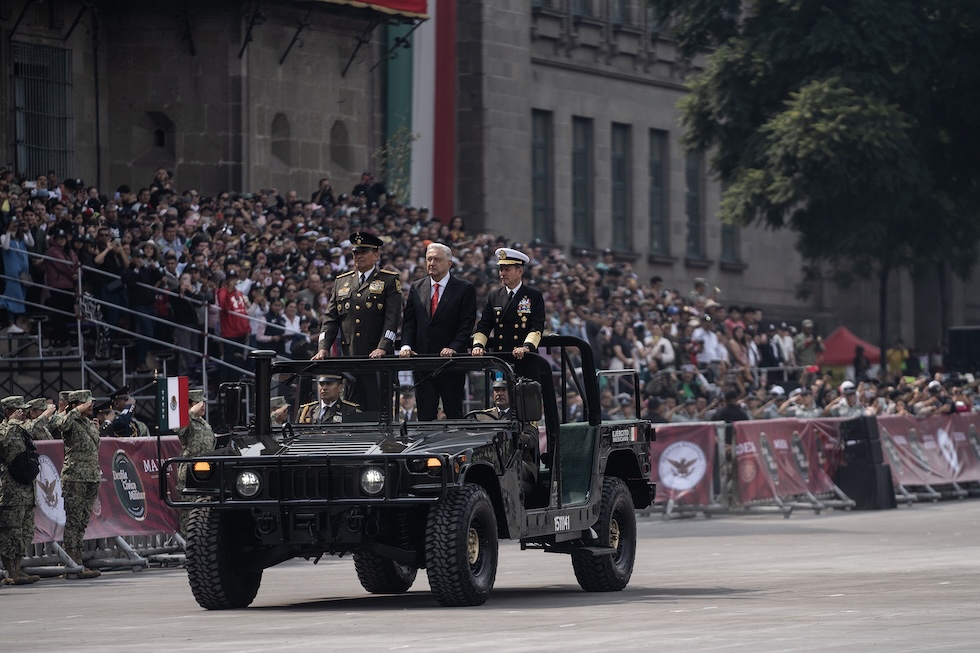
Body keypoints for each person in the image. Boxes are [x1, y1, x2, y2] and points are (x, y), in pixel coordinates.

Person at [313, 232, 401, 412]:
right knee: (352, 408)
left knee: (378, 409)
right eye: (355, 253)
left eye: (364, 252)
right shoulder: (341, 282)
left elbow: (392, 319)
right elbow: (330, 319)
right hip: (351, 357)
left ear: (376, 255)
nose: (359, 256)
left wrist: (383, 347)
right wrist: (323, 347)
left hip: (378, 360)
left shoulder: (388, 280)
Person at [399, 242, 477, 420]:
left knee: (453, 413)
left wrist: (454, 347)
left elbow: (466, 325)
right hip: (423, 361)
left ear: (449, 263)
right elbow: (409, 322)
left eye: (437, 259)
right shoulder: (417, 287)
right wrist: (406, 345)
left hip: (451, 363)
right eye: (429, 259)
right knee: (425, 415)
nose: (431, 263)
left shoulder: (464, 289)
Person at [53, 389, 102, 578]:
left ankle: (77, 561)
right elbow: (58, 424)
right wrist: (73, 411)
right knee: (73, 521)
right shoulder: (69, 420)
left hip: (90, 476)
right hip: (75, 476)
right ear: (75, 405)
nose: (91, 405)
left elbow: (95, 446)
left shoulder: (88, 423)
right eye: (86, 403)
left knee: (82, 521)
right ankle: (70, 562)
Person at [471, 247, 545, 358]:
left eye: (507, 270)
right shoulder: (494, 295)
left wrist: (527, 346)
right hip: (500, 357)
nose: (502, 273)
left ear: (519, 271)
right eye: (501, 269)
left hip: (524, 356)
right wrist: (478, 345)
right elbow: (484, 325)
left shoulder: (533, 296)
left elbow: (537, 327)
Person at [0, 396, 40, 585]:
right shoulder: (4, 428)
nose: (22, 413)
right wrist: (12, 423)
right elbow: (3, 444)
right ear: (8, 411)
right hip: (11, 489)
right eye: (18, 410)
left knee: (25, 531)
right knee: (11, 532)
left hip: (27, 488)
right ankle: (10, 570)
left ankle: (18, 567)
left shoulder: (23, 429)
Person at [175, 389, 216, 535]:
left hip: (206, 472)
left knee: (204, 510)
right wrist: (190, 412)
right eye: (198, 402)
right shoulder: (187, 420)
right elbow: (178, 430)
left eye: (203, 402)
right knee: (189, 510)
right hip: (190, 471)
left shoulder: (204, 423)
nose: (203, 405)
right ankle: (187, 542)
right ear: (190, 405)